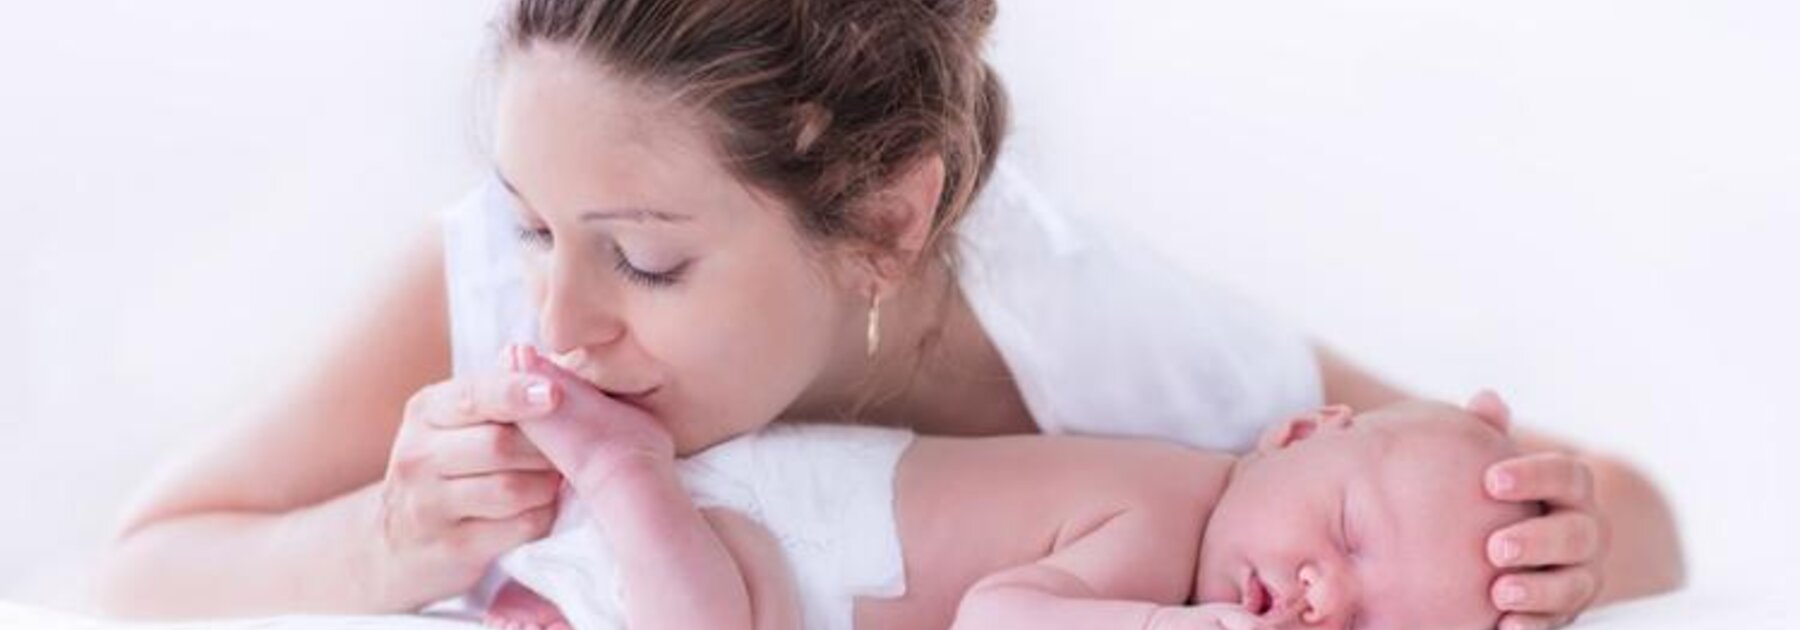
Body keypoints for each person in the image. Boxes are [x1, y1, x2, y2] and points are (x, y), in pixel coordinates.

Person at [94, 2, 1684, 629]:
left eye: (645, 261)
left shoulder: (1096, 344)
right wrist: (387, 541)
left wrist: (1577, 535)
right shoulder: (494, 293)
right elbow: (135, 574)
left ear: (884, 220)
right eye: (530, 224)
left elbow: (1637, 516)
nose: (556, 318)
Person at [479, 346, 1537, 630]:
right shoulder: (1168, 522)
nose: (1329, 599)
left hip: (756, 575)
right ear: (1299, 433)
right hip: (747, 530)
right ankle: (620, 467)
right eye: (1348, 535)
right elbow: (998, 617)